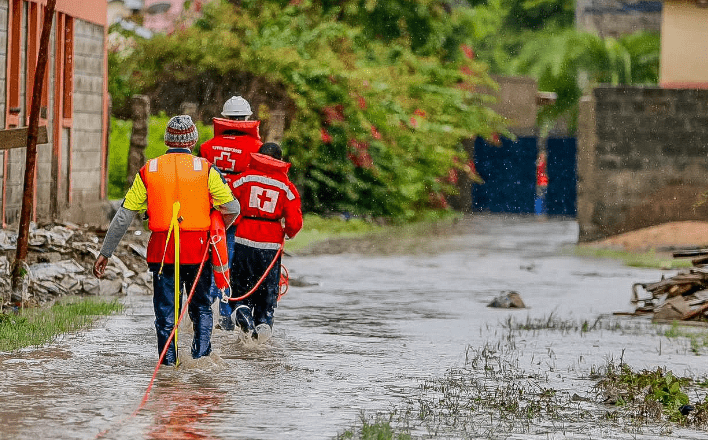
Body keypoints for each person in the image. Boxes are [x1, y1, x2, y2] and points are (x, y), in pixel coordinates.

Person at [93, 115, 240, 365]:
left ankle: (168, 364)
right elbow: (232, 207)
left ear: (167, 140)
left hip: (163, 253)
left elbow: (123, 217)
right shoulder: (206, 169)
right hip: (199, 251)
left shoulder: (149, 170)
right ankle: (201, 359)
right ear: (193, 140)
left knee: (165, 314)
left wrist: (105, 253)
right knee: (202, 307)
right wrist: (218, 228)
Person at [199, 95, 263, 330]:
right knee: (229, 262)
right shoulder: (256, 148)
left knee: (210, 261)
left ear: (225, 119)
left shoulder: (207, 147)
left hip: (210, 213)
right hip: (239, 216)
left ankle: (206, 309)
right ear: (247, 119)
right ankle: (226, 314)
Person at [227, 142, 302, 342]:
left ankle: (243, 316)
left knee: (240, 289)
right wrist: (288, 233)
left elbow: (225, 201)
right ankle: (262, 327)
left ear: (259, 156)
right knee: (267, 294)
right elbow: (295, 222)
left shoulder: (243, 179)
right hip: (271, 246)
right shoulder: (287, 187)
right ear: (279, 160)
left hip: (243, 240)